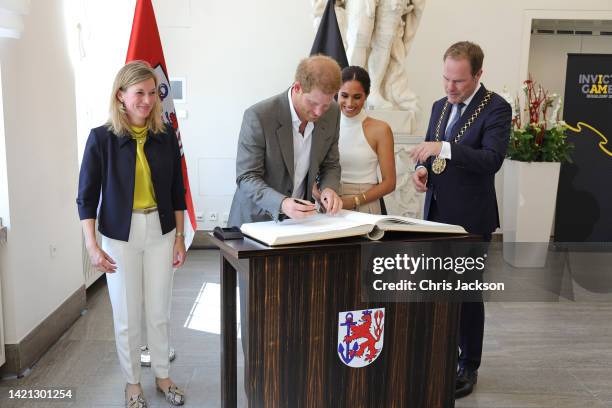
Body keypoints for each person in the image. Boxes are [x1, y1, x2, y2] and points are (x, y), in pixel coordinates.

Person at [77, 61, 187, 407]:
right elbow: (86, 197)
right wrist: (92, 246)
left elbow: (176, 191)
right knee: (126, 315)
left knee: (159, 311)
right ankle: (132, 383)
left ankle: (162, 376)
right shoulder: (101, 138)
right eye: (139, 92)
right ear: (120, 95)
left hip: (160, 230)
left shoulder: (165, 135)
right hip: (118, 236)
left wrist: (181, 237)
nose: (148, 100)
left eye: (153, 93)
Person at [410, 41, 511, 399]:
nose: (450, 88)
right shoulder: (439, 106)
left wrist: (444, 150)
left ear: (479, 75)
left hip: (471, 218)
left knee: (467, 294)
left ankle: (469, 365)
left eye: (459, 81)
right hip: (436, 214)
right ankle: (444, 355)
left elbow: (491, 160)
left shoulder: (497, 108)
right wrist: (422, 169)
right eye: (446, 79)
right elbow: (428, 151)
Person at [228, 54, 343, 228]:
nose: (319, 112)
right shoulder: (259, 116)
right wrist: (281, 203)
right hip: (256, 220)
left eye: (325, 105)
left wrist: (329, 188)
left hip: (301, 223)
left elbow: (331, 164)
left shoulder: (333, 113)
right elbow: (247, 177)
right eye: (312, 103)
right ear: (297, 87)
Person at [336, 65, 396, 213]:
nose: (349, 103)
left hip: (364, 205)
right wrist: (319, 195)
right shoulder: (322, 125)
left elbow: (389, 183)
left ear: (367, 95)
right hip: (329, 203)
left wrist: (355, 201)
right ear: (336, 92)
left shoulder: (381, 130)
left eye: (357, 97)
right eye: (344, 95)